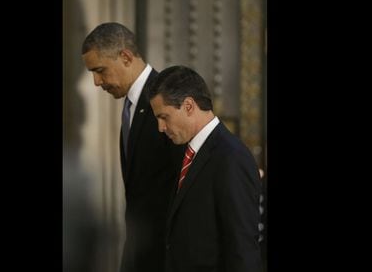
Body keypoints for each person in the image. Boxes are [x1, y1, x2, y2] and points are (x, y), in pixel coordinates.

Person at [81, 22, 183, 272]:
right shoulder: (132, 104)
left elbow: (187, 180)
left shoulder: (168, 96)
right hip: (142, 251)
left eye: (100, 70)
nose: (96, 81)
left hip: (169, 255)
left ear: (125, 57)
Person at [148, 65, 263, 272]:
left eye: (164, 117)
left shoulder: (230, 157)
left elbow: (242, 248)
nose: (161, 128)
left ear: (189, 106)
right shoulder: (190, 151)